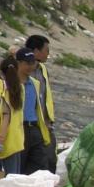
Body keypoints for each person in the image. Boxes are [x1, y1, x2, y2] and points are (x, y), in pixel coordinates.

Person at [15, 48, 51, 175]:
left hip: (34, 129)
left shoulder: (35, 83)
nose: (31, 66)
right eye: (28, 63)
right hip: (18, 129)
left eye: (33, 63)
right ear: (19, 63)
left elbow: (39, 106)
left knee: (41, 165)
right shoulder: (10, 83)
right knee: (19, 166)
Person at [25, 35, 56, 173]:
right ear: (36, 51)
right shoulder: (21, 68)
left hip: (45, 124)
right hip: (27, 124)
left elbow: (45, 96)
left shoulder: (43, 69)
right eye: (46, 50)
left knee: (49, 161)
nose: (48, 54)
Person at [0, 55, 25, 175]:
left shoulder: (1, 86)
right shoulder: (20, 89)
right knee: (13, 177)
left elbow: (5, 114)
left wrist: (1, 140)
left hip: (3, 139)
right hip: (16, 139)